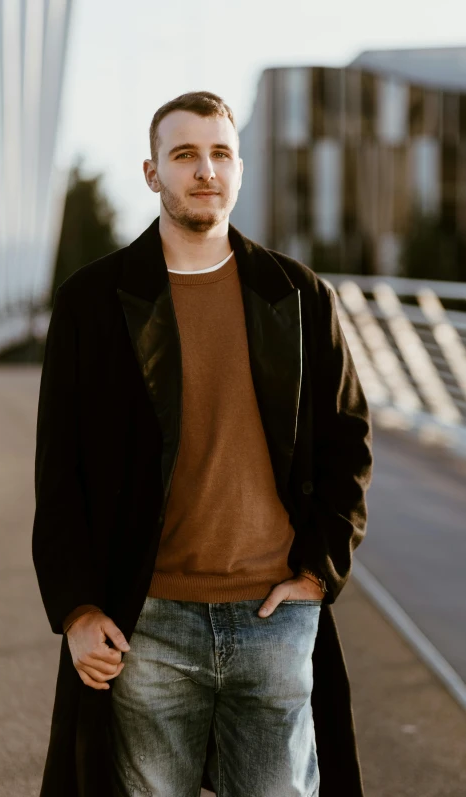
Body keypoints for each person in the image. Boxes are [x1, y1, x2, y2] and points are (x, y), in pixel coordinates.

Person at [32, 91, 373, 797]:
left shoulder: (299, 296)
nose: (204, 169)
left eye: (219, 152)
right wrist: (77, 608)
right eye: (184, 153)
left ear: (238, 168)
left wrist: (317, 573)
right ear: (153, 172)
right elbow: (58, 471)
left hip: (275, 616)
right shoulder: (91, 302)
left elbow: (348, 445)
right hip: (147, 622)